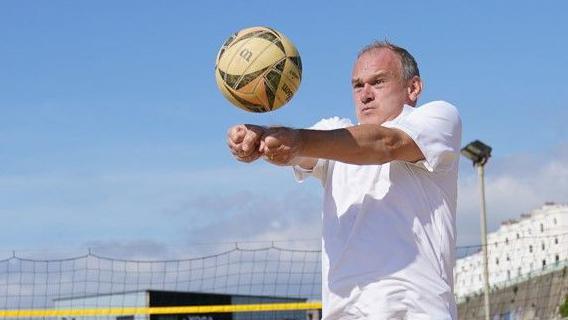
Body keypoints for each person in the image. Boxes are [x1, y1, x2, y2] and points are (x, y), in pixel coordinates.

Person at [227, 41, 462, 320]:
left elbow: (386, 143)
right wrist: (259, 137)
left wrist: (298, 141)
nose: (365, 95)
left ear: (413, 88)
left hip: (414, 312)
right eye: (357, 85)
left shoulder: (438, 117)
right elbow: (293, 147)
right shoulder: (332, 134)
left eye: (378, 82)